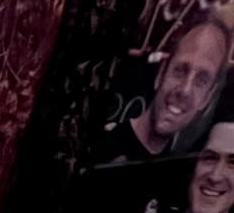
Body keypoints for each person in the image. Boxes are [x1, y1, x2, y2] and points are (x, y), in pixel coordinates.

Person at [94, 15, 228, 167]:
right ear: (161, 74)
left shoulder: (177, 174)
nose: (185, 90)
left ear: (206, 98)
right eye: (180, 70)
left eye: (201, 80)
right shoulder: (101, 147)